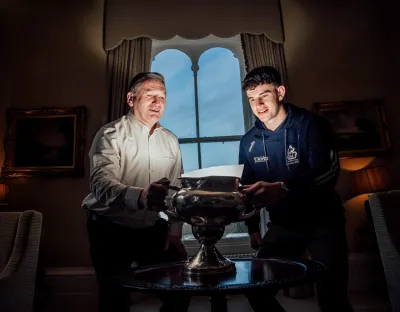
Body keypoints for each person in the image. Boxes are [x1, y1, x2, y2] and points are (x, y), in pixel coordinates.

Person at [239, 66, 354, 312]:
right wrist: (251, 229)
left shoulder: (312, 125)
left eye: (264, 96)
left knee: (333, 299)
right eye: (251, 100)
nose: (258, 105)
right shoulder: (248, 142)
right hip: (283, 226)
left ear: (280, 92)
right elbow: (246, 187)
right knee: (256, 289)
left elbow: (328, 171)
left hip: (323, 222)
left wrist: (283, 188)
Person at [82, 72, 190, 312]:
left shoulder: (171, 141)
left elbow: (176, 190)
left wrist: (174, 233)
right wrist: (140, 196)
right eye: (150, 95)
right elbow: (100, 184)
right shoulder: (110, 135)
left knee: (179, 292)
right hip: (109, 229)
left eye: (162, 97)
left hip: (152, 229)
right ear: (131, 99)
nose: (157, 103)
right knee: (114, 301)